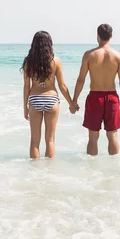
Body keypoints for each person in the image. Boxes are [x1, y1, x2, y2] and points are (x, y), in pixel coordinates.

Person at [72, 24, 120, 155]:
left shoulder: (89, 55)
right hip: (112, 98)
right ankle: (114, 170)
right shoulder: (118, 56)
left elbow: (81, 80)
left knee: (92, 137)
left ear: (97, 36)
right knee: (112, 135)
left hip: (95, 98)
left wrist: (74, 100)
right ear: (111, 36)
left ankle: (92, 172)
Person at [22, 31, 75, 159]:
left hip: (35, 100)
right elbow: (62, 85)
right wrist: (71, 103)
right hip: (52, 99)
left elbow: (26, 86)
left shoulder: (28, 62)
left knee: (34, 141)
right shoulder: (55, 61)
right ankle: (49, 173)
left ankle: (35, 172)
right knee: (50, 140)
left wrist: (25, 107)